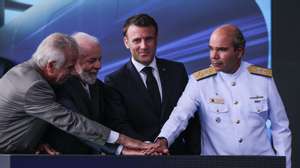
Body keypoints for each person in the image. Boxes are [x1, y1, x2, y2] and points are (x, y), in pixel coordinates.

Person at [154, 24, 292, 168]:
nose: (214, 56)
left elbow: (280, 128)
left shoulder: (262, 79)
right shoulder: (199, 81)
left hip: (261, 163)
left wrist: (285, 165)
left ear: (239, 51)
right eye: (211, 48)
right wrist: (163, 139)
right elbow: (179, 115)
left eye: (222, 49)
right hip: (217, 164)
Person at [0, 32, 152, 154]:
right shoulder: (35, 86)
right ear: (51, 66)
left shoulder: (25, 72)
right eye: (69, 67)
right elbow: (71, 122)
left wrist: (35, 143)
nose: (73, 72)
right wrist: (125, 141)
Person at [105, 13, 200, 154]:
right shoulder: (114, 81)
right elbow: (120, 125)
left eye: (148, 39)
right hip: (140, 159)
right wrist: (148, 149)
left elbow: (191, 118)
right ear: (126, 42)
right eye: (137, 40)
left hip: (179, 158)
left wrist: (195, 158)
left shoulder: (177, 70)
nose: (143, 46)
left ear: (156, 39)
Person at [44, 32, 141, 155]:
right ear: (73, 60)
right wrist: (119, 150)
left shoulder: (98, 87)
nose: (98, 66)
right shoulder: (58, 87)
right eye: (92, 61)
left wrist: (143, 145)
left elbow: (115, 123)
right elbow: (79, 128)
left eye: (99, 59)